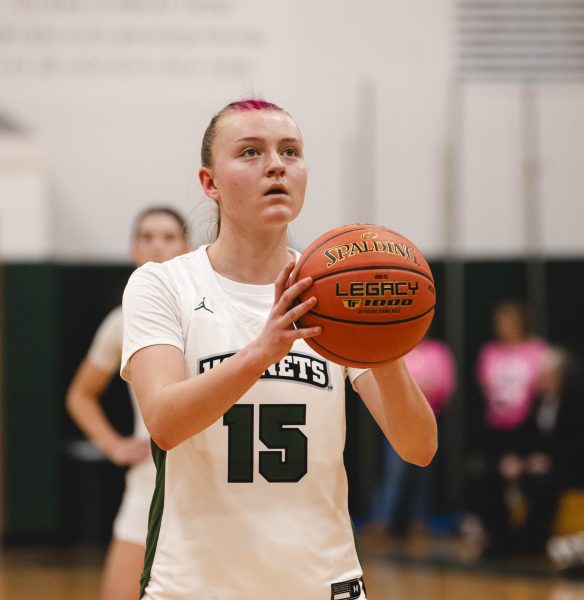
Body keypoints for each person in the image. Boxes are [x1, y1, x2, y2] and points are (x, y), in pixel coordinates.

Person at [121, 98, 437, 600]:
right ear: (210, 184)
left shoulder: (330, 294)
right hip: (195, 586)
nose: (275, 164)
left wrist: (384, 340)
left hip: (321, 582)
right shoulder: (163, 285)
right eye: (250, 152)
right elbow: (163, 422)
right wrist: (259, 353)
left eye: (290, 151)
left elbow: (418, 448)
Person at [66, 207, 190, 600]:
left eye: (169, 237)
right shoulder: (122, 321)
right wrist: (113, 445)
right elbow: (80, 395)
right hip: (147, 485)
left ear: (187, 247)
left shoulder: (208, 312)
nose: (157, 245)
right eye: (147, 236)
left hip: (208, 483)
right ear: (133, 248)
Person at [471, 299, 549, 556]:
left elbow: (543, 392)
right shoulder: (490, 351)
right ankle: (499, 540)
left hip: (528, 430)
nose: (503, 326)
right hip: (497, 430)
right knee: (485, 480)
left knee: (536, 482)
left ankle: (530, 543)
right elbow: (486, 389)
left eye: (508, 321)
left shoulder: (536, 350)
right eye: (500, 321)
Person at [368, 336, 456, 538]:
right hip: (397, 420)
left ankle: (418, 523)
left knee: (422, 475)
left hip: (430, 417)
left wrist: (418, 392)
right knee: (394, 474)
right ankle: (383, 521)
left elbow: (446, 386)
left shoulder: (438, 351)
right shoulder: (398, 348)